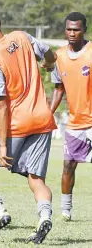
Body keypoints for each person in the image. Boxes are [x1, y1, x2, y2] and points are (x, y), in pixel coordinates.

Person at [0, 7, 57, 244]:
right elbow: (50, 54)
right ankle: (44, 216)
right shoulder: (22, 37)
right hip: (42, 119)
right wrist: (48, 65)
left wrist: (1, 146)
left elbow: (1, 103)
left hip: (16, 124)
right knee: (36, 179)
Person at [49, 12, 92, 222]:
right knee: (68, 165)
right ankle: (65, 210)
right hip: (75, 123)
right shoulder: (59, 57)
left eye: (76, 29)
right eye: (68, 29)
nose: (72, 33)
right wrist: (48, 114)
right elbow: (58, 89)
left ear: (84, 29)